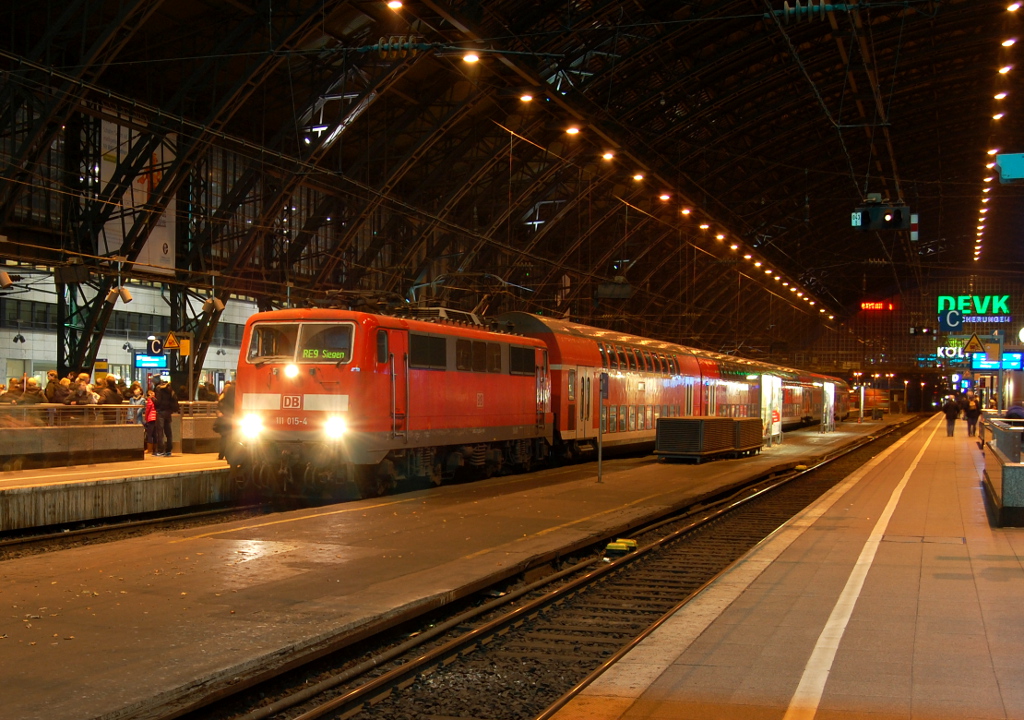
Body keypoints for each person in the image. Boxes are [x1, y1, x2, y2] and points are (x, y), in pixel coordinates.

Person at [152, 379, 179, 456]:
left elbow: (158, 402)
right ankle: (169, 450)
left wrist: (152, 398)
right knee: (168, 432)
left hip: (161, 412)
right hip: (168, 412)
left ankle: (160, 450)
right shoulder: (170, 390)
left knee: (160, 432)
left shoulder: (159, 389)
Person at [214, 381, 235, 461]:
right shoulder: (231, 397)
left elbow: (218, 407)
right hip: (229, 419)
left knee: (224, 437)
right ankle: (226, 454)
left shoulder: (221, 397)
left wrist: (219, 413)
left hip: (224, 419)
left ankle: (222, 454)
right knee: (228, 437)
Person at [143, 389, 157, 454]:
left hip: (151, 418)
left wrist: (146, 417)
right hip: (156, 418)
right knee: (155, 434)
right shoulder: (156, 400)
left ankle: (149, 449)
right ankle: (155, 449)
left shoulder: (150, 400)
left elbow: (148, 410)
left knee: (149, 434)